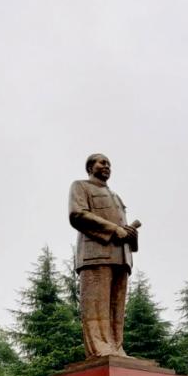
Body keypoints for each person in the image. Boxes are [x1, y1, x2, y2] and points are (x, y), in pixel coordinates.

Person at [69, 153, 139, 358]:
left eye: (109, 163)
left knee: (117, 308)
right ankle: (99, 347)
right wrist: (114, 229)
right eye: (102, 162)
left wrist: (130, 235)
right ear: (90, 167)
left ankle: (116, 347)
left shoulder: (116, 197)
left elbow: (123, 230)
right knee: (96, 305)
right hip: (95, 254)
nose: (107, 166)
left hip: (121, 256)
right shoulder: (81, 186)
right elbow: (77, 214)